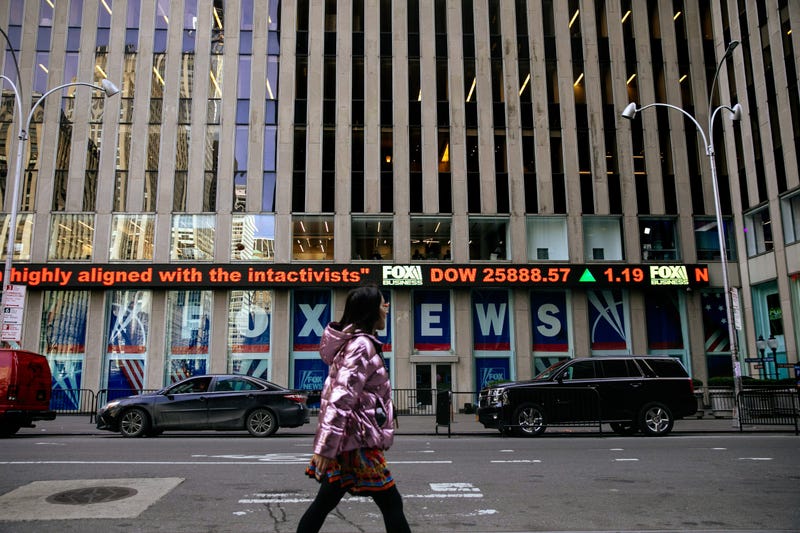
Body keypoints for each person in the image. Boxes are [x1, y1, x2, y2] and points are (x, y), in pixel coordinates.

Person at [297, 285, 411, 533]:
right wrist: (325, 448)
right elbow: (341, 398)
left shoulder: (359, 343)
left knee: (324, 503)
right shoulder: (361, 345)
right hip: (356, 443)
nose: (387, 309)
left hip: (349, 442)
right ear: (371, 311)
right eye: (383, 304)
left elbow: (358, 393)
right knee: (391, 503)